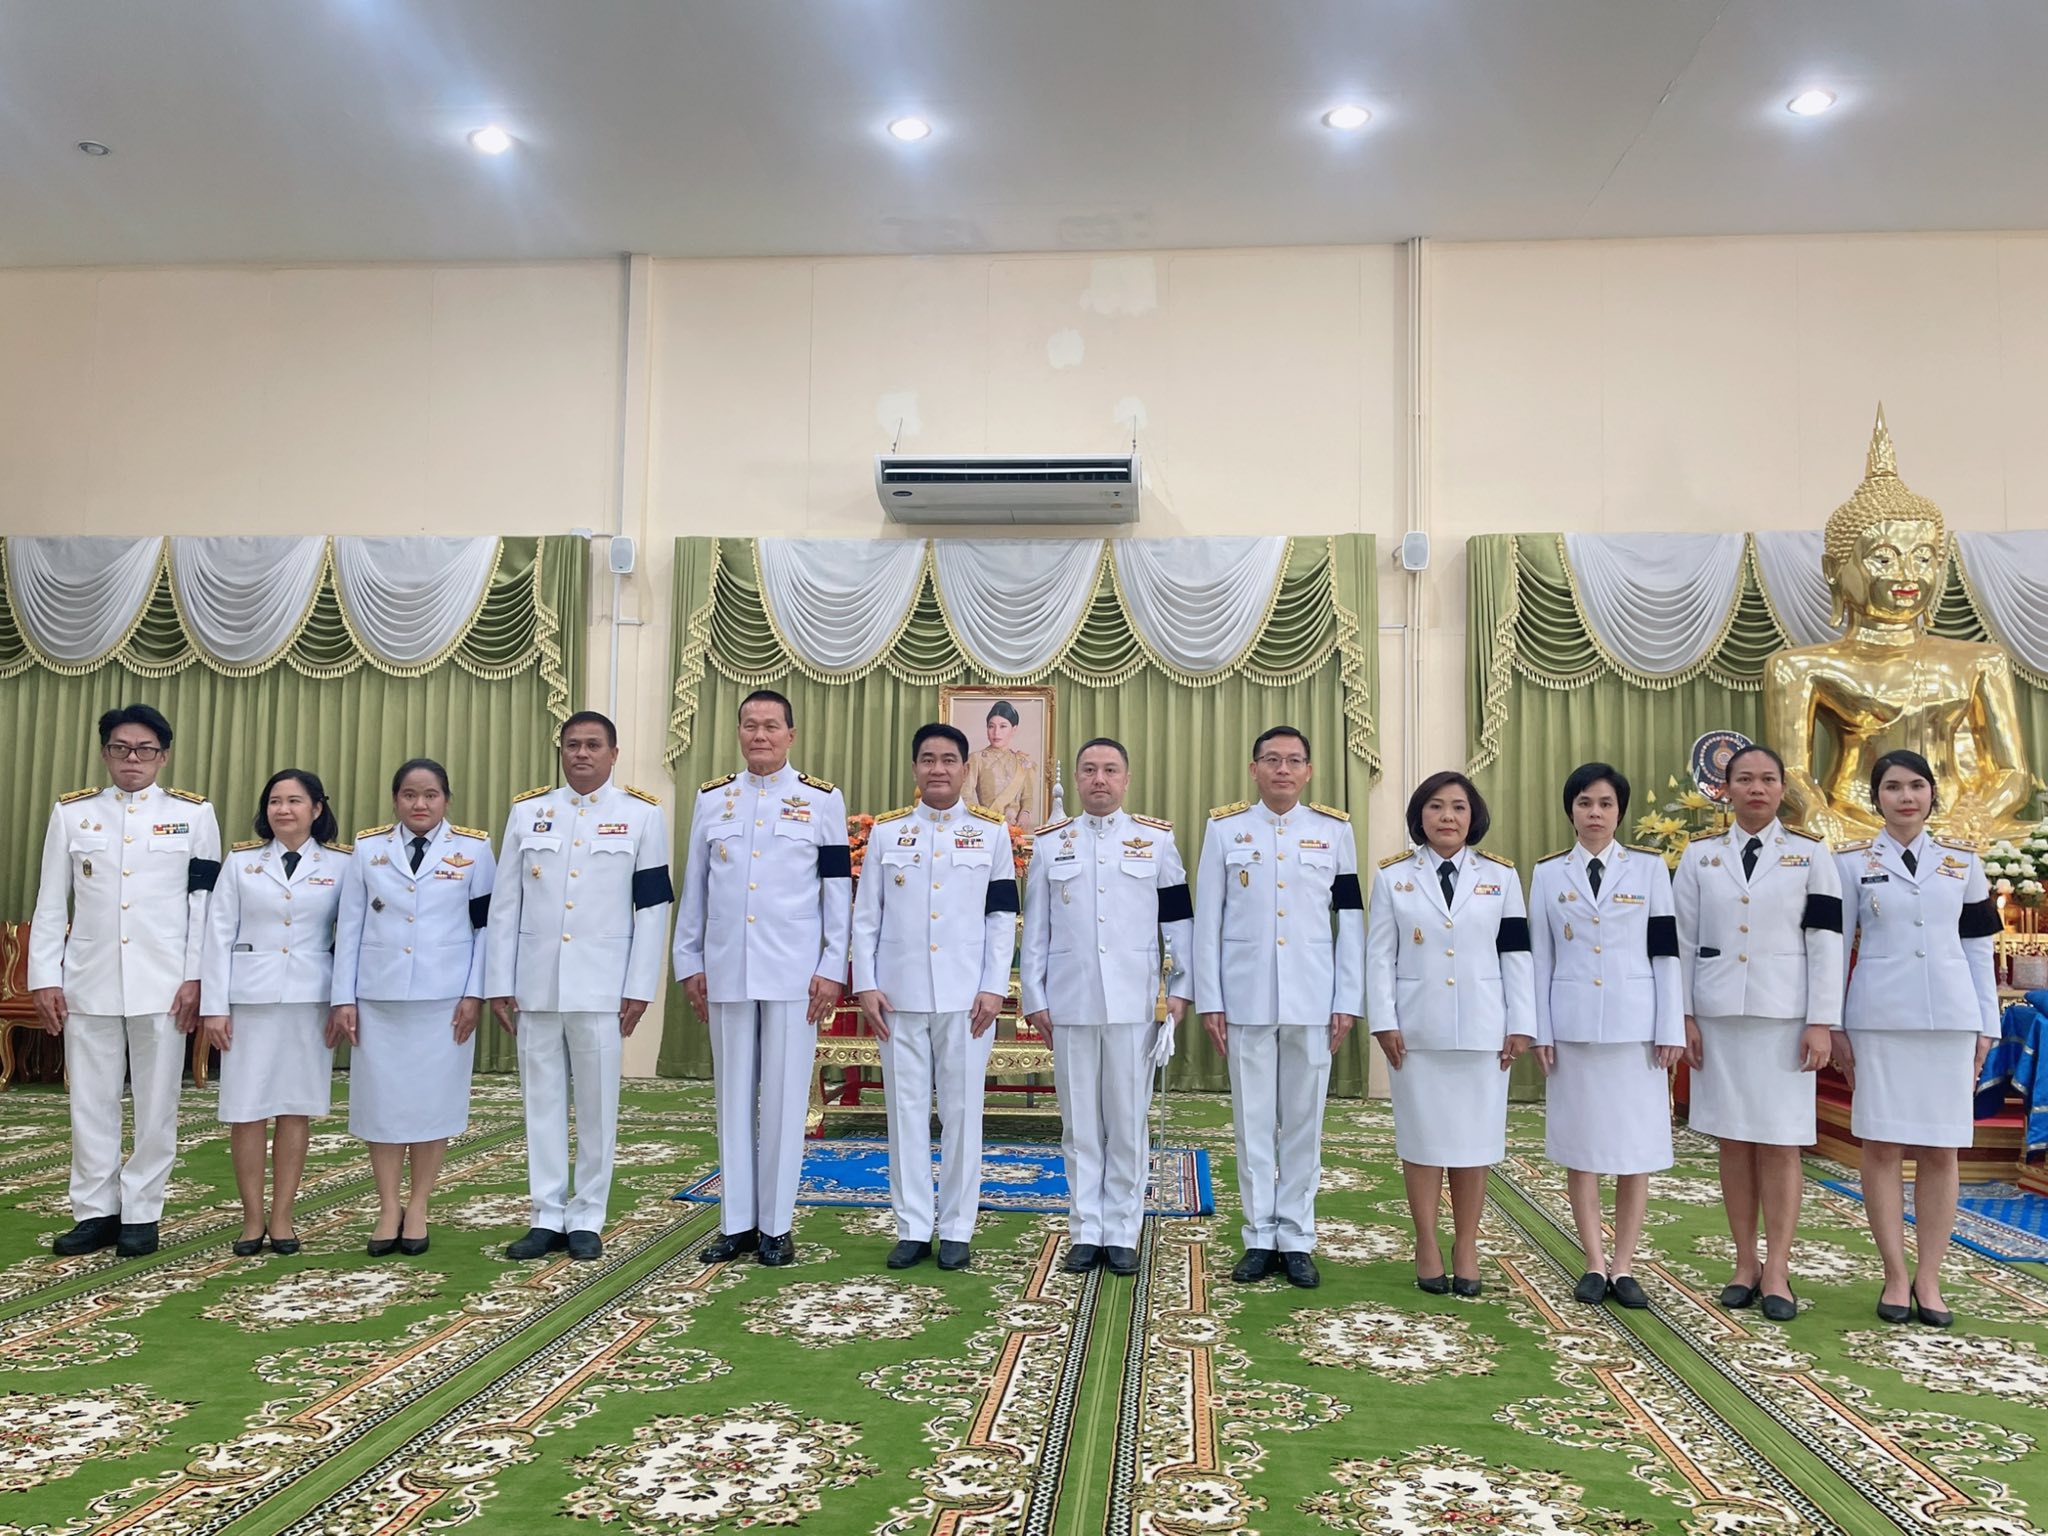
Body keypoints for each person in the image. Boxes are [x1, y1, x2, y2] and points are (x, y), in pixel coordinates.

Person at [30, 703, 221, 1259]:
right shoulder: (73, 814)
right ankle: (95, 1211)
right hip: (88, 978)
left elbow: (204, 906)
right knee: (90, 1101)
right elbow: (50, 902)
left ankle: (142, 1210)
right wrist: (44, 977)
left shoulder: (193, 814)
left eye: (143, 750)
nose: (131, 759)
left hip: (164, 982)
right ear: (104, 753)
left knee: (157, 1103)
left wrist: (196, 976)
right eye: (120, 748)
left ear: (163, 756)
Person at [675, 690, 850, 1268]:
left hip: (794, 972)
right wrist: (689, 961)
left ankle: (776, 1225)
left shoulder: (821, 800)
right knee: (732, 1098)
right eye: (750, 725)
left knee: (782, 1100)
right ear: (739, 733)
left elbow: (836, 891)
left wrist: (832, 965)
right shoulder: (712, 799)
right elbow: (696, 886)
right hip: (727, 965)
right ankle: (736, 1225)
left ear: (790, 736)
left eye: (771, 726)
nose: (760, 735)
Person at [490, 712, 672, 1263]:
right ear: (561, 751)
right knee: (541, 1102)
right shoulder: (528, 813)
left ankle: (588, 1215)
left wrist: (640, 985)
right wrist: (499, 980)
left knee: (597, 1105)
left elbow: (653, 908)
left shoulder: (642, 815)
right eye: (573, 745)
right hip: (537, 983)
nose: (582, 754)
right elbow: (505, 904)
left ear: (614, 754)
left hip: (602, 983)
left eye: (594, 745)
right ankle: (545, 1215)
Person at [1673, 744, 1844, 1322]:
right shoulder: (1700, 856)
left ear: (1782, 789)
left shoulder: (1810, 854)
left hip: (1784, 1019)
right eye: (1744, 779)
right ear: (1725, 789)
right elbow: (1682, 941)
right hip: (1719, 1017)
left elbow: (1826, 942)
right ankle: (1744, 1263)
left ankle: (1777, 1268)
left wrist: (1821, 1020)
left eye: (1767, 779)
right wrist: (1683, 1016)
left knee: (1780, 1142)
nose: (1756, 789)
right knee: (1733, 1140)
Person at [1833, 748, 2002, 1329]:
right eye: (1892, 787)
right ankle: (1895, 1273)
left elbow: (1978, 949)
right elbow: (1836, 948)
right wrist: (1834, 1024)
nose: (1905, 797)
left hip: (1949, 1019)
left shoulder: (1963, 862)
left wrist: (1987, 1025)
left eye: (1916, 786)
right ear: (1876, 798)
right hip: (1879, 1018)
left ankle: (1929, 1275)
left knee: (1940, 1149)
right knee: (1881, 1146)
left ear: (1932, 794)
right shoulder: (1850, 863)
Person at [1196, 726, 1363, 1291]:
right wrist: (1211, 998)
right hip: (1245, 996)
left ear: (1309, 771)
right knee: (1252, 1123)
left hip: (1313, 997)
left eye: (1294, 761)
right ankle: (1258, 1236)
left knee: (1304, 1123)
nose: (1283, 770)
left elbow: (1351, 922)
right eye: (1272, 759)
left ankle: (1296, 1237)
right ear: (1254, 769)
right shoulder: (1225, 830)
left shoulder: (1334, 831)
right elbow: (1209, 919)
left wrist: (1347, 998)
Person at [1021, 737, 1193, 1278]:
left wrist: (1181, 988)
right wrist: (1034, 995)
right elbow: (1037, 927)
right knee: (1078, 1125)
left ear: (1126, 779)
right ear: (1076, 779)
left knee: (1127, 1122)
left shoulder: (1156, 841)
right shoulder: (1051, 843)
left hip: (1134, 1002)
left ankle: (1121, 1231)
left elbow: (1178, 921)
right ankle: (1085, 1230)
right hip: (1069, 1001)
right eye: (1090, 770)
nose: (1100, 779)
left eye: (1110, 770)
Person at [850, 723, 1018, 1271]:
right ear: (915, 768)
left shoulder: (991, 833)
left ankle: (958, 1228)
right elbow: (867, 915)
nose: (938, 768)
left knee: (963, 1113)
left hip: (967, 998)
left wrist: (993, 986)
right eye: (928, 759)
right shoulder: (887, 833)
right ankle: (913, 1227)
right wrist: (865, 982)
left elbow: (1001, 918)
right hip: (897, 996)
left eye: (949, 759)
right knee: (905, 1112)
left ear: (965, 769)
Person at [1366, 770, 1534, 1299]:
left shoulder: (1501, 876)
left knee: (1473, 1143)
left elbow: (1516, 952)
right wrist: (1383, 1019)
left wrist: (1521, 1022)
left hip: (1484, 1030)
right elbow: (1379, 956)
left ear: (1473, 816)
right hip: (1416, 1031)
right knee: (1422, 1141)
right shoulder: (1393, 877)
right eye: (1436, 806)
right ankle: (1426, 1242)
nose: (1447, 817)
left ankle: (1466, 1244)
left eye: (1458, 807)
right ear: (1420, 816)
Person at [1529, 762, 1684, 1309]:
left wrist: (1670, 1024)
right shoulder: (1548, 874)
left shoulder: (1648, 869)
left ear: (1619, 812)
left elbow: (1665, 951)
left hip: (1635, 1030)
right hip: (1573, 1030)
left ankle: (1624, 1265)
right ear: (1571, 811)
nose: (1595, 813)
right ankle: (1594, 1262)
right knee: (1584, 1149)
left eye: (1605, 804)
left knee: (1635, 1151)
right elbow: (1541, 958)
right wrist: (1541, 1031)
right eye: (1585, 803)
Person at [330, 759, 495, 1257]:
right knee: (381, 1105)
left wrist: (475, 994)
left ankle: (419, 1204)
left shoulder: (474, 849)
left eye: (430, 795)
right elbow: (350, 926)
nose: (419, 804)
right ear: (395, 799)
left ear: (446, 799)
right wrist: (343, 997)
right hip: (378, 998)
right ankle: (387, 1206)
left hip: (444, 999)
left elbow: (485, 928)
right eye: (409, 795)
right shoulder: (368, 849)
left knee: (432, 1105)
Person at [199, 770, 351, 1257]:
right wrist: (214, 1007)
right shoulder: (242, 862)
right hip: (249, 1002)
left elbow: (350, 940)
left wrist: (342, 1001)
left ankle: (283, 1217)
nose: (283, 810)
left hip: (310, 1001)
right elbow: (217, 935)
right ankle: (251, 1219)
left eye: (295, 801)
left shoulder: (342, 864)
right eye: (275, 801)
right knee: (246, 1112)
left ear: (317, 809)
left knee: (294, 1108)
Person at [965, 700, 1040, 831]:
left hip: (1016, 831)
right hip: (986, 828)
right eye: (991, 726)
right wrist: (993, 818)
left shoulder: (1023, 762)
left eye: (1003, 726)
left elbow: (1027, 797)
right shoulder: (976, 759)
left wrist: (1025, 813)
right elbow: (965, 798)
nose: (996, 733)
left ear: (1014, 729)